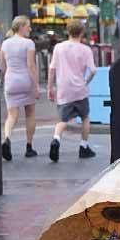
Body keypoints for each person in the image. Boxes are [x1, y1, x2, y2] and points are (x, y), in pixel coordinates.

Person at [47, 19, 99, 162]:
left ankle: (56, 139)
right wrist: (86, 82)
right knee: (85, 117)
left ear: (68, 31)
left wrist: (50, 87)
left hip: (64, 89)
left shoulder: (59, 47)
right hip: (80, 89)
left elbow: (52, 69)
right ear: (82, 32)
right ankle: (83, 146)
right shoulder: (86, 49)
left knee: (63, 119)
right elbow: (93, 70)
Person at [0, 16, 39, 161]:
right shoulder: (28, 43)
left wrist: (6, 78)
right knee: (30, 113)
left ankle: (7, 138)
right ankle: (29, 147)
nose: (30, 28)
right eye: (28, 26)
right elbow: (31, 65)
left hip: (11, 81)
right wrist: (35, 85)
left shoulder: (5, 44)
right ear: (21, 26)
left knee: (12, 115)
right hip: (25, 80)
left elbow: (3, 66)